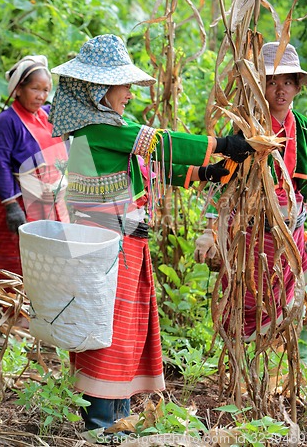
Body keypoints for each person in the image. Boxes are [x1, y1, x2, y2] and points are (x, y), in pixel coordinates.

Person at [48, 34, 254, 431]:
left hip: (124, 249)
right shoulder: (97, 129)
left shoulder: (109, 127)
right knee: (110, 329)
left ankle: (116, 415)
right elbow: (160, 144)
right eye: (123, 85)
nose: (129, 93)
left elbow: (154, 169)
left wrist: (205, 172)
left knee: (126, 329)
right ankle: (101, 422)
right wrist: (221, 144)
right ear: (99, 90)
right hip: (107, 252)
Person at [194, 41, 307, 341]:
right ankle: (239, 368)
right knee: (248, 298)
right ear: (259, 87)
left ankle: (271, 376)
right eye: (271, 83)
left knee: (285, 300)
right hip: (251, 232)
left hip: (290, 232)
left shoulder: (304, 130)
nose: (280, 90)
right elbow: (224, 178)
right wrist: (210, 231)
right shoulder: (248, 132)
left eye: (287, 82)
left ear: (297, 87)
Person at [0, 55, 69, 278]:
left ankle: (44, 312)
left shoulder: (45, 115)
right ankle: (14, 312)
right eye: (35, 89)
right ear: (18, 89)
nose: (42, 96)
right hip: (21, 206)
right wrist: (11, 206)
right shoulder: (7, 121)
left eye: (46, 90)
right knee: (20, 267)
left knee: (52, 264)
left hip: (52, 204)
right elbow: (0, 164)